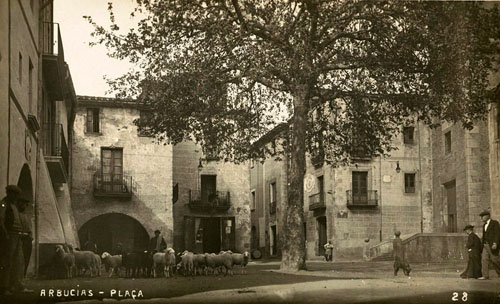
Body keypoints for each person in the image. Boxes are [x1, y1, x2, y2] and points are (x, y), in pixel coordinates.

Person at [0, 185, 32, 294]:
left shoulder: (13, 205)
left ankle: (17, 285)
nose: (16, 197)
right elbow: (1, 220)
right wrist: (5, 234)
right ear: (10, 193)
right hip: (9, 235)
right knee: (7, 261)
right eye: (15, 194)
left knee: (19, 261)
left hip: (17, 236)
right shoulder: (4, 204)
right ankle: (4, 287)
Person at [478, 210, 500, 280]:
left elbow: (497, 234)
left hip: (492, 245)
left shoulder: (495, 223)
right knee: (484, 259)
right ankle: (485, 275)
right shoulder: (484, 225)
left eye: (482, 216)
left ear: (487, 216)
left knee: (494, 260)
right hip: (485, 245)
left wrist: (495, 243)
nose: (481, 218)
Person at [17, 198, 33, 277]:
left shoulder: (25, 216)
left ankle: (23, 276)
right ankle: (18, 278)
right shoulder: (17, 215)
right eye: (22, 204)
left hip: (27, 239)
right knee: (20, 260)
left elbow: (29, 228)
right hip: (20, 239)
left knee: (26, 258)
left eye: (25, 205)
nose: (24, 206)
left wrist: (30, 235)